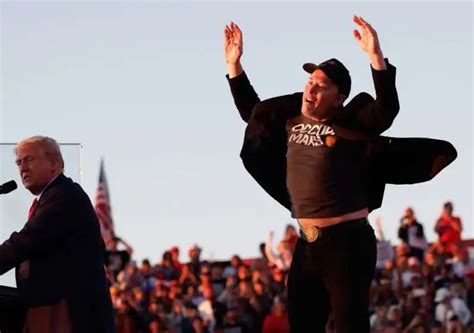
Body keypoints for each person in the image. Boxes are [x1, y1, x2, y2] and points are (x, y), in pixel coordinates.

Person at [224, 16, 456, 332]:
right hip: (307, 244)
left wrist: (376, 58)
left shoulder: (350, 123)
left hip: (347, 242)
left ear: (338, 97)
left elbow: (385, 110)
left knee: (350, 325)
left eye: (322, 85)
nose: (311, 89)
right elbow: (253, 115)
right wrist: (234, 66)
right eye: (310, 81)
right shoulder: (290, 119)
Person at [0, 136, 115, 332]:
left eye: (29, 159)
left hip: (70, 314)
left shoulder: (65, 195)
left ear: (55, 163)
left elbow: (26, 241)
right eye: (19, 162)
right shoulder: (50, 198)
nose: (22, 168)